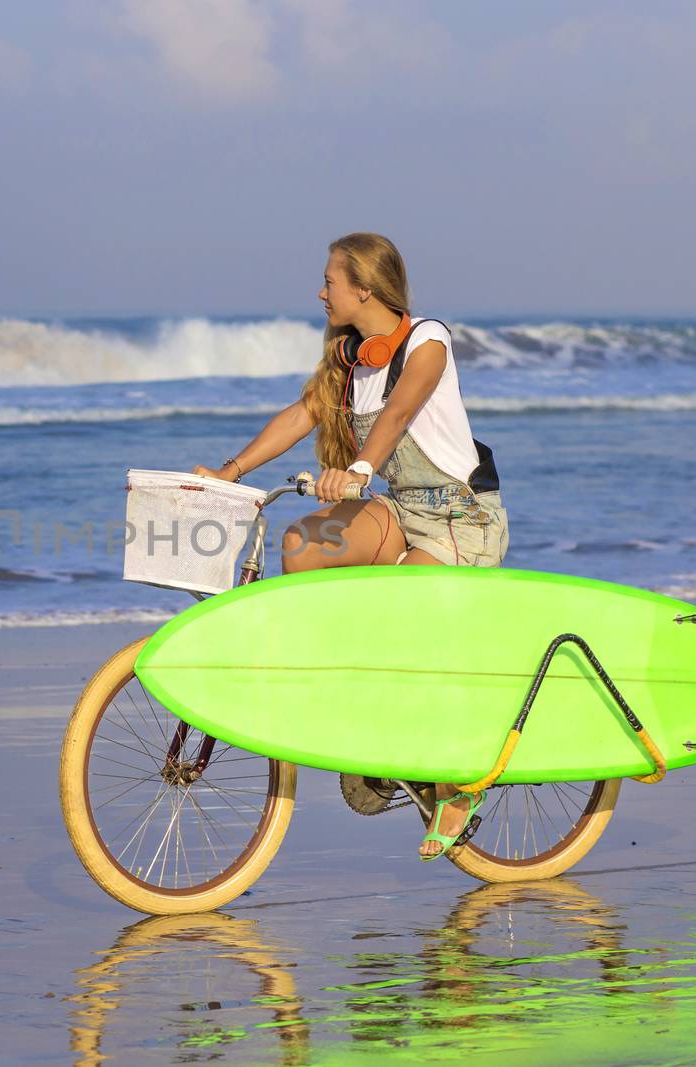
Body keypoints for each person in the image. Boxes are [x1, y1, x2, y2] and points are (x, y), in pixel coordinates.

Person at [193, 232, 508, 860]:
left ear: (364, 288)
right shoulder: (349, 358)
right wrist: (230, 473)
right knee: (304, 544)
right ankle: (352, 696)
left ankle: (456, 784)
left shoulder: (428, 342)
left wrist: (359, 471)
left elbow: (397, 416)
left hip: (460, 522)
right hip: (401, 511)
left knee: (400, 616)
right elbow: (298, 415)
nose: (321, 291)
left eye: (330, 281)